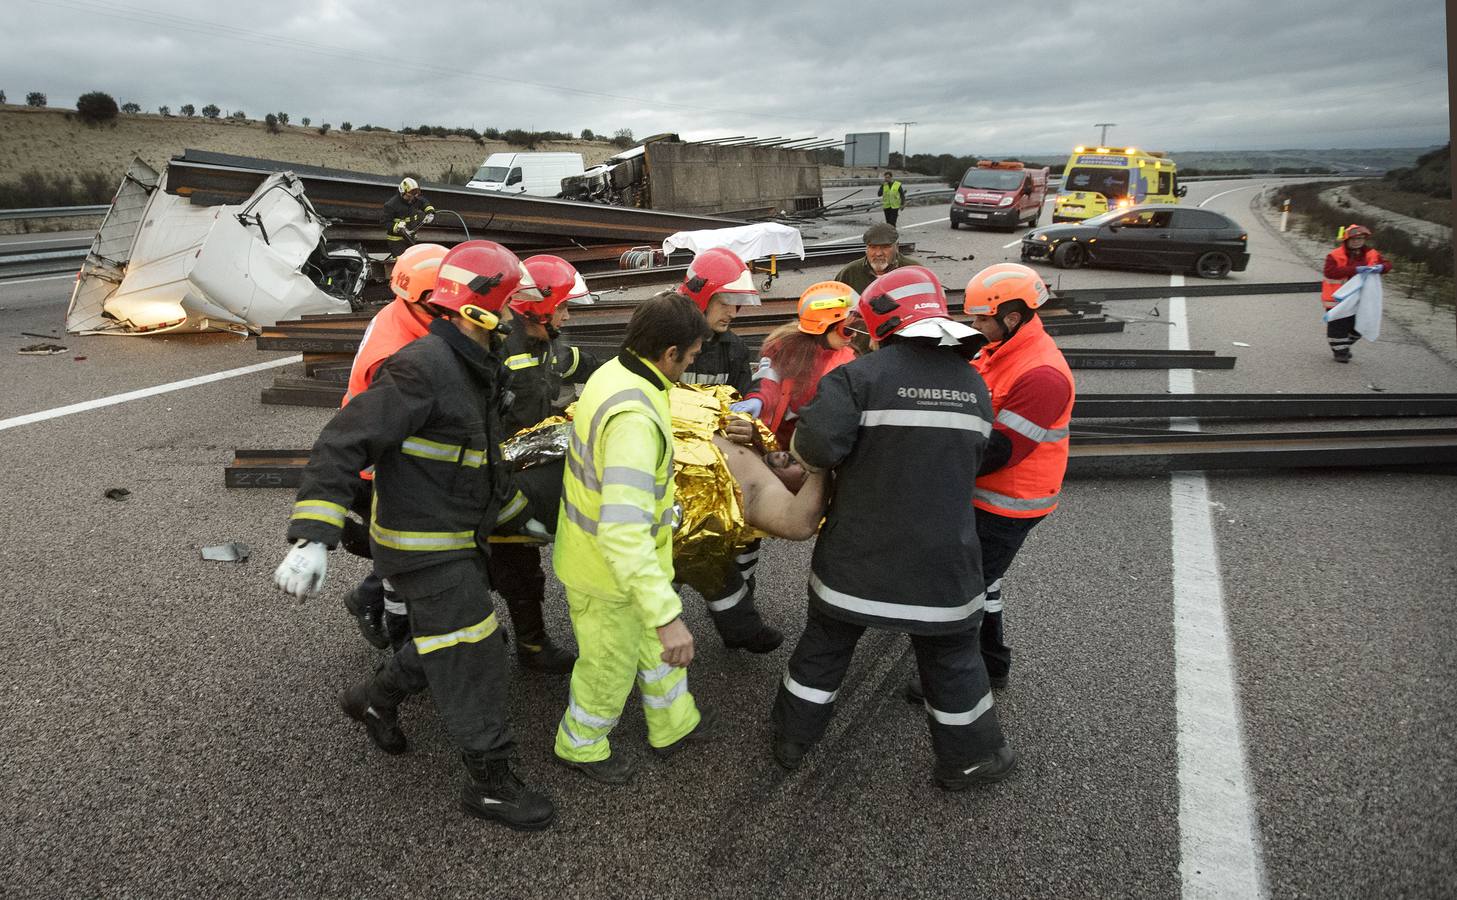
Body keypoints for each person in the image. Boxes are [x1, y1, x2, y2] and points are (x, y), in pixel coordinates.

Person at [272, 240, 556, 831]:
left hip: (459, 530)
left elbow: (477, 459)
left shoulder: (479, 366)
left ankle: (374, 698)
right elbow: (341, 442)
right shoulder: (423, 369)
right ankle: (492, 783)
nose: (517, 318)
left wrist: (516, 516)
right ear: (478, 312)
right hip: (424, 544)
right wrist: (315, 535)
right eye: (509, 307)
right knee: (475, 650)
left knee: (446, 640)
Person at [770, 265, 1019, 791]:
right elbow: (977, 456)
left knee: (825, 646)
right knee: (952, 659)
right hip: (941, 565)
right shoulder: (972, 385)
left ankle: (792, 740)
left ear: (881, 322)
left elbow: (815, 449)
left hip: (856, 559)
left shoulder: (857, 378)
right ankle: (970, 760)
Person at [551, 291, 721, 786]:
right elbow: (623, 532)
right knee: (609, 666)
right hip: (609, 576)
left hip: (621, 569)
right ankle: (580, 746)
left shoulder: (616, 374)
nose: (690, 367)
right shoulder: (634, 421)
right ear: (668, 353)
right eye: (689, 357)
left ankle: (674, 723)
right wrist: (667, 615)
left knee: (658, 651)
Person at [906, 263, 1074, 700]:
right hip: (987, 496)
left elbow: (1000, 451)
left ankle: (949, 682)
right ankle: (993, 663)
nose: (974, 325)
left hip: (1009, 503)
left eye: (982, 318)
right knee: (985, 580)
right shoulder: (1002, 349)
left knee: (961, 590)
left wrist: (923, 461)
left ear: (1012, 317)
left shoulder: (1042, 376)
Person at [490, 254, 603, 673]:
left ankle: (532, 647)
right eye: (564, 306)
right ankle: (377, 598)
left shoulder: (547, 344)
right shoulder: (501, 349)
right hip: (495, 475)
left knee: (518, 566)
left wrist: (627, 370)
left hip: (522, 468)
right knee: (493, 566)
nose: (568, 315)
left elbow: (576, 362)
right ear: (539, 307)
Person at [339, 243, 449, 651]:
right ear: (424, 299)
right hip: (380, 467)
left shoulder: (403, 315)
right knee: (401, 554)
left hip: (382, 454)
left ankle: (368, 597)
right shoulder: (396, 358)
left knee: (407, 548)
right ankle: (400, 633)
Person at [677, 249, 783, 654]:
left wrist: (749, 413)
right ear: (699, 297)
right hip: (671, 463)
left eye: (737, 303)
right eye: (725, 302)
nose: (733, 312)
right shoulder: (663, 338)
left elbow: (743, 394)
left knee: (742, 532)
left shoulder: (733, 348)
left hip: (715, 458)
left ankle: (741, 603)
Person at [741, 280, 860, 451]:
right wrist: (757, 399)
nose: (854, 335)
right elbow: (768, 381)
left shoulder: (850, 359)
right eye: (847, 330)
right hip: (774, 445)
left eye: (857, 327)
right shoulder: (783, 348)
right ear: (823, 325)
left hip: (815, 450)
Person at [1321, 224, 1391, 363]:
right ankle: (1340, 352)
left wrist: (1381, 267)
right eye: (1354, 239)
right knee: (1338, 325)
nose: (1357, 241)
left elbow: (1387, 265)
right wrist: (1355, 269)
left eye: (1360, 238)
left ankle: (1343, 346)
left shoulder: (1372, 253)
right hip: (1337, 298)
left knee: (1359, 324)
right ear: (1346, 240)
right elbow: (1330, 272)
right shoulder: (1335, 255)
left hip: (1362, 297)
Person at [832, 223, 924, 295]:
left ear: (897, 247)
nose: (878, 253)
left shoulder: (914, 271)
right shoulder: (849, 273)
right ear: (866, 248)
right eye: (873, 247)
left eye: (885, 247)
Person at [382, 177, 435, 249]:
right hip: (396, 241)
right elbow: (384, 222)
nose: (411, 198)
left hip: (411, 239)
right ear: (402, 193)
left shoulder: (414, 199)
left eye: (414, 195)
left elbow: (423, 202)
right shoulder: (391, 205)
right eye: (409, 195)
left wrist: (430, 212)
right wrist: (397, 227)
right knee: (402, 259)